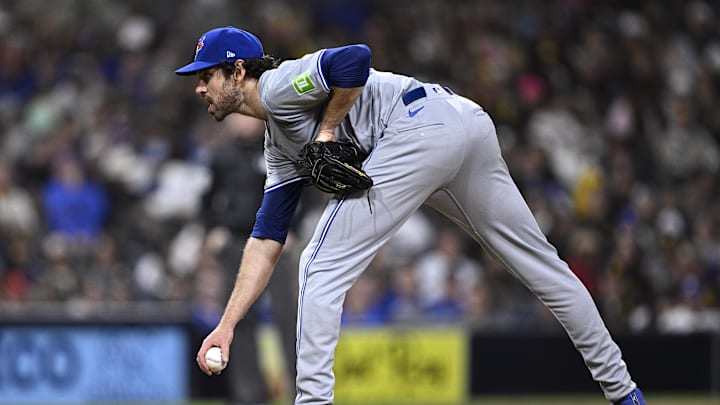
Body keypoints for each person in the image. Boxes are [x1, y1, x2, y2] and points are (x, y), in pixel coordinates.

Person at [175, 26, 646, 405]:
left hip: (418, 129)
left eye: (207, 75)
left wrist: (326, 130)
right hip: (461, 124)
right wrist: (229, 323)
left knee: (318, 265)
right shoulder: (278, 145)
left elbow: (354, 57)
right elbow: (266, 237)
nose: (199, 87)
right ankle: (624, 392)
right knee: (542, 265)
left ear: (238, 71)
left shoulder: (278, 85)